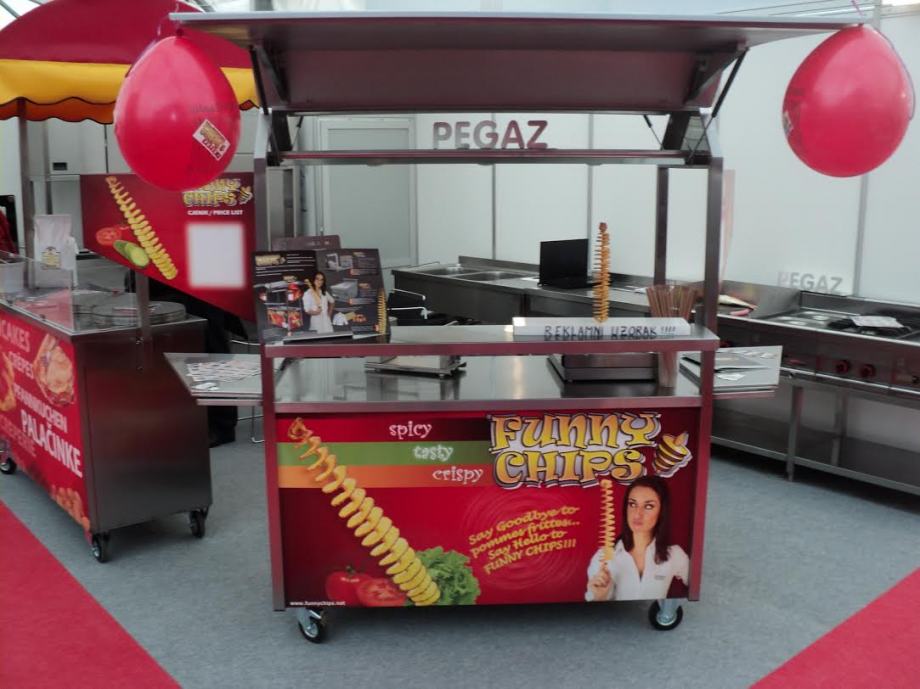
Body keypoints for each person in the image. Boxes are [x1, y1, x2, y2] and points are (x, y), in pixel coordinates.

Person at [585, 475, 689, 601]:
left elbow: (699, 586)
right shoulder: (603, 557)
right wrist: (599, 597)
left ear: (662, 511)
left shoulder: (675, 555)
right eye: (632, 504)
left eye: (648, 506)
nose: (637, 514)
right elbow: (592, 605)